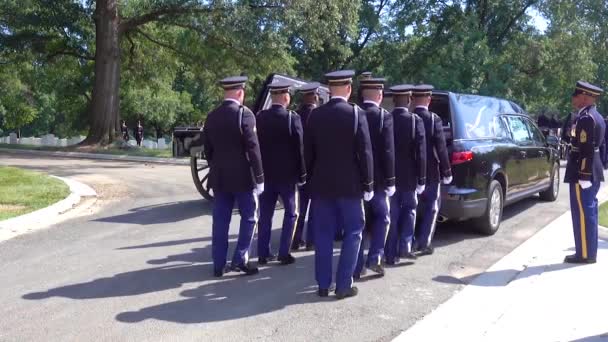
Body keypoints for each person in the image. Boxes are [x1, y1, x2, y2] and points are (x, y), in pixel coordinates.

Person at [305, 70, 373, 299]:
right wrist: (369, 184)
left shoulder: (315, 116)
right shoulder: (355, 114)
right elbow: (365, 153)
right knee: (354, 232)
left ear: (328, 89)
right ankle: (343, 284)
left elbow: (309, 154)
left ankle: (323, 285)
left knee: (323, 234)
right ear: (348, 88)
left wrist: (310, 179)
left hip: (322, 185)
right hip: (350, 186)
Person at [202, 76, 265, 277]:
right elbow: (253, 148)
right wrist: (260, 177)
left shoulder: (212, 116)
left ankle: (218, 264)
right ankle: (240, 259)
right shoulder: (244, 115)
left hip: (220, 177)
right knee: (249, 217)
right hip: (243, 177)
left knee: (220, 221)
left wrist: (217, 167)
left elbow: (208, 150)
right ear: (240, 92)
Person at [256, 81, 306, 266]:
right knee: (291, 213)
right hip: (287, 176)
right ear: (286, 97)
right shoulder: (292, 118)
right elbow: (299, 150)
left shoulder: (260, 117)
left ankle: (263, 253)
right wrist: (302, 175)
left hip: (266, 175)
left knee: (265, 215)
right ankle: (284, 252)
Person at [353, 77, 395, 278]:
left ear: (362, 94)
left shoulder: (354, 113)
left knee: (359, 222)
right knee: (383, 218)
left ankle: (357, 264)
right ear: (380, 95)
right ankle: (375, 258)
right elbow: (388, 152)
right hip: (377, 181)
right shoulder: (383, 117)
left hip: (356, 179)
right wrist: (390, 181)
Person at [384, 84, 427, 264]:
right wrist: (422, 178)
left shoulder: (386, 118)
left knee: (392, 214)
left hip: (390, 175)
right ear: (409, 100)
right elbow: (421, 152)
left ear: (393, 100)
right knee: (409, 210)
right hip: (409, 176)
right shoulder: (415, 120)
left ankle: (390, 254)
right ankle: (405, 247)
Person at [564, 81, 605, 264]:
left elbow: (587, 149)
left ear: (584, 97)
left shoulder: (587, 118)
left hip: (584, 173)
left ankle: (585, 254)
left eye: (576, 95)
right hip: (589, 171)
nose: (573, 98)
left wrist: (584, 175)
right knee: (588, 212)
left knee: (583, 213)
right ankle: (587, 252)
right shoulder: (593, 116)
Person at [412, 85, 452, 256]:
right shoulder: (433, 119)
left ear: (413, 99)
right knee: (431, 207)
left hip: (408, 172)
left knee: (408, 208)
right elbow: (441, 149)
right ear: (429, 100)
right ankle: (424, 243)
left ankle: (408, 241)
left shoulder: (409, 117)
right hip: (430, 173)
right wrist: (447, 171)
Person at [292, 82, 320, 251]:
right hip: (316, 168)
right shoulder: (319, 115)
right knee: (315, 208)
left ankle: (295, 239)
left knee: (300, 208)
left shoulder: (295, 115)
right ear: (315, 96)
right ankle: (311, 241)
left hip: (299, 168)